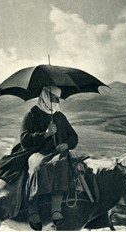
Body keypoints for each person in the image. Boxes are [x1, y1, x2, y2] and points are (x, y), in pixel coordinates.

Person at [20, 86, 78, 230]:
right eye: (53, 98)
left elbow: (74, 136)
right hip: (36, 152)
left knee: (62, 162)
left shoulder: (59, 116)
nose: (56, 101)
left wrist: (66, 144)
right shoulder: (31, 115)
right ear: (45, 96)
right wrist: (45, 134)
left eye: (57, 99)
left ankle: (56, 210)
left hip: (56, 153)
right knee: (39, 165)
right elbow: (24, 140)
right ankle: (33, 211)